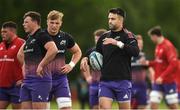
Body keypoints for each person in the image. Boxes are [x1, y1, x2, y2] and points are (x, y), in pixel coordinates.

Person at [96, 8, 139, 109]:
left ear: (121, 20)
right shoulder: (104, 36)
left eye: (113, 19)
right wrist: (86, 58)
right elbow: (96, 52)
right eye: (109, 18)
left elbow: (135, 52)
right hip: (105, 81)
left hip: (123, 80)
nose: (110, 21)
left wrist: (117, 43)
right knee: (104, 108)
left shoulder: (128, 36)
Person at [17, 11, 58, 109]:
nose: (23, 24)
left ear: (35, 22)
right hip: (27, 81)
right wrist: (24, 68)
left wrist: (41, 65)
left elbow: (53, 49)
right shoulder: (29, 38)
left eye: (26, 22)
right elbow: (20, 54)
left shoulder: (42, 35)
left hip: (40, 80)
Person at [45, 10, 82, 109]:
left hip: (60, 80)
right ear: (47, 22)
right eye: (51, 22)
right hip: (43, 80)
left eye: (57, 23)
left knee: (66, 108)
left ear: (61, 23)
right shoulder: (39, 36)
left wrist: (71, 65)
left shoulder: (65, 37)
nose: (54, 25)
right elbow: (25, 55)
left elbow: (78, 52)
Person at [142, 26, 179, 109]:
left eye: (151, 37)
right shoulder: (158, 46)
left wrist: (162, 77)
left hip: (168, 81)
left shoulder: (168, 46)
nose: (151, 39)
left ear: (155, 36)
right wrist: (148, 63)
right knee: (153, 103)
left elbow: (174, 64)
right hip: (158, 81)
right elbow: (158, 62)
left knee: (172, 105)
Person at [0, 21, 24, 109]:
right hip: (2, 86)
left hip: (16, 86)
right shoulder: (1, 45)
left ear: (12, 32)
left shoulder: (21, 43)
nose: (2, 34)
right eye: (2, 32)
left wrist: (24, 78)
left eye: (5, 32)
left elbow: (30, 62)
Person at [80, 29, 107, 109]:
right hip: (94, 83)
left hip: (105, 83)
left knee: (103, 106)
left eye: (99, 39)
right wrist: (87, 76)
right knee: (94, 107)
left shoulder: (109, 51)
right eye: (96, 39)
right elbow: (84, 65)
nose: (97, 41)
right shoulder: (91, 51)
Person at [131, 34, 154, 109]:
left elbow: (150, 71)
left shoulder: (144, 56)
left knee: (143, 107)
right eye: (139, 44)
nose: (140, 45)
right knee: (129, 107)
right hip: (130, 86)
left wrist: (152, 84)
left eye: (142, 44)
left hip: (142, 86)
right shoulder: (128, 56)